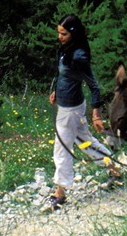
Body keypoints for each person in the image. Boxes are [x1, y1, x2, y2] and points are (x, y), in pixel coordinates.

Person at [47, 13, 118, 211]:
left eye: (63, 34)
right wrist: (56, 92)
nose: (59, 37)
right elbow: (65, 76)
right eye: (59, 33)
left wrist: (96, 113)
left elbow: (95, 86)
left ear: (73, 34)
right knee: (84, 141)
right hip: (69, 105)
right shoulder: (66, 50)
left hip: (70, 110)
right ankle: (113, 168)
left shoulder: (79, 56)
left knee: (61, 148)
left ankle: (60, 192)